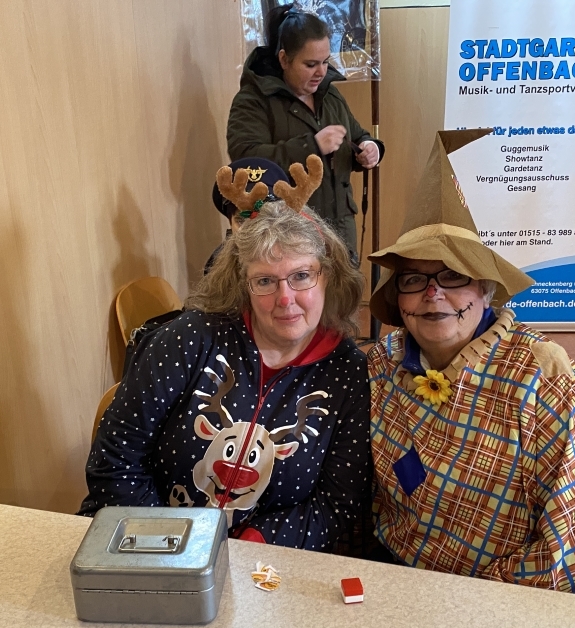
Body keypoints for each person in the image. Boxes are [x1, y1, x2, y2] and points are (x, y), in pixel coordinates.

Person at [366, 130, 575, 600]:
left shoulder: (551, 387)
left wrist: (468, 608)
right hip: (397, 583)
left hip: (510, 605)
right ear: (398, 298)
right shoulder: (380, 365)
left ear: (486, 289)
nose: (433, 294)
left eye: (453, 275)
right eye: (413, 279)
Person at [80, 156, 371, 553]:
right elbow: (115, 459)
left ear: (329, 276)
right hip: (145, 543)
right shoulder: (188, 338)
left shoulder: (350, 373)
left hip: (264, 563)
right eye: (264, 280)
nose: (286, 299)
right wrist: (170, 548)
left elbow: (336, 505)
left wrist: (245, 550)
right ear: (242, 284)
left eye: (302, 275)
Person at [227, 3, 384, 260]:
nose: (321, 72)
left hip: (341, 230)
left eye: (325, 61)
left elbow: (357, 135)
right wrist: (312, 146)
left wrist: (370, 149)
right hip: (287, 235)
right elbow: (246, 160)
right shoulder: (253, 100)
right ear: (284, 59)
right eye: (310, 64)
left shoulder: (330, 95)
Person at [205, 156, 291, 274]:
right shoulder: (216, 266)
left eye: (264, 218)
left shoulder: (302, 253)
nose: (254, 230)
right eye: (242, 221)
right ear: (230, 222)